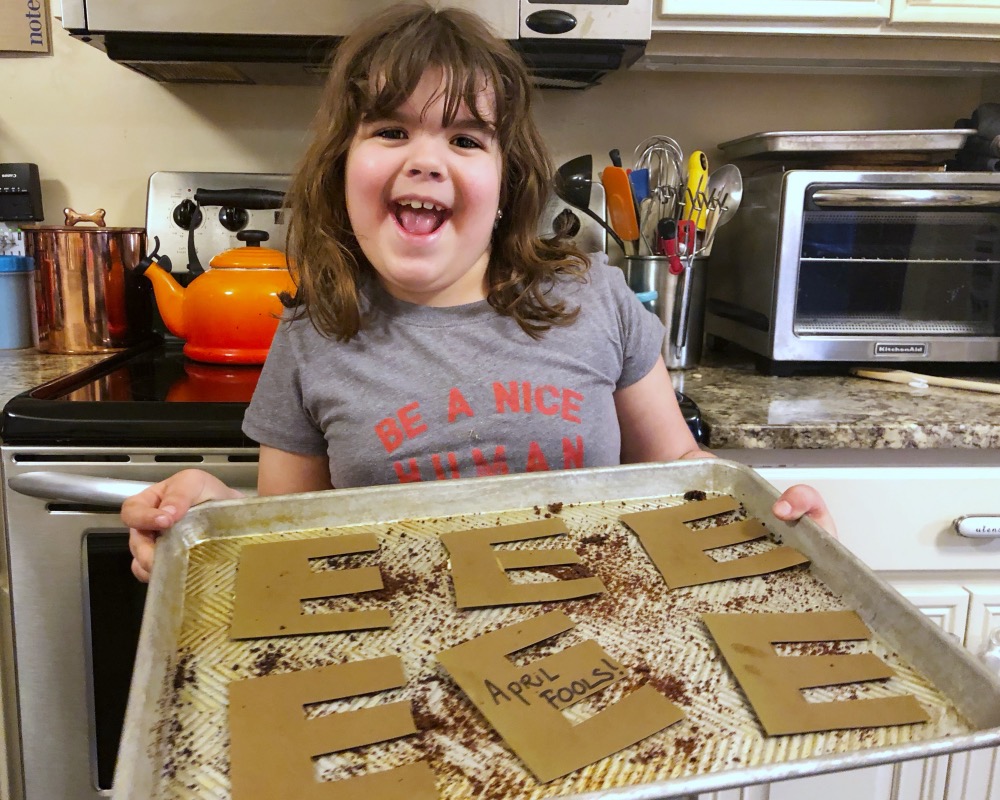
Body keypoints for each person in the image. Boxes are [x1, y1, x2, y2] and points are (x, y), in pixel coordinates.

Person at [122, 2, 835, 582]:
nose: (426, 159)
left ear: (505, 183)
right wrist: (214, 522)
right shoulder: (314, 334)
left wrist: (767, 510)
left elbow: (682, 475)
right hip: (394, 676)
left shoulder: (593, 298)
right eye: (391, 129)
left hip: (601, 646)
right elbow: (288, 544)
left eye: (466, 139)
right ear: (344, 168)